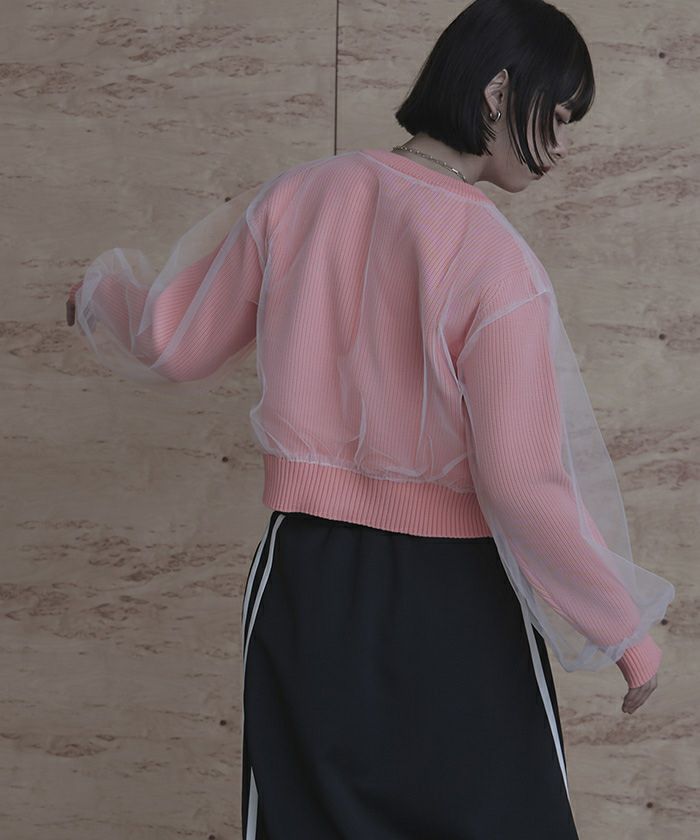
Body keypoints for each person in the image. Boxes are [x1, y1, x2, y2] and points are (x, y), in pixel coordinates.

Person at [66, 0, 675, 836]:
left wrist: (100, 298)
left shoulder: (298, 198)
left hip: (305, 578)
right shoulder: (496, 262)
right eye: (559, 117)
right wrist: (625, 634)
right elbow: (521, 481)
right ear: (498, 92)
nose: (562, 147)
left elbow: (175, 343)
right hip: (458, 597)